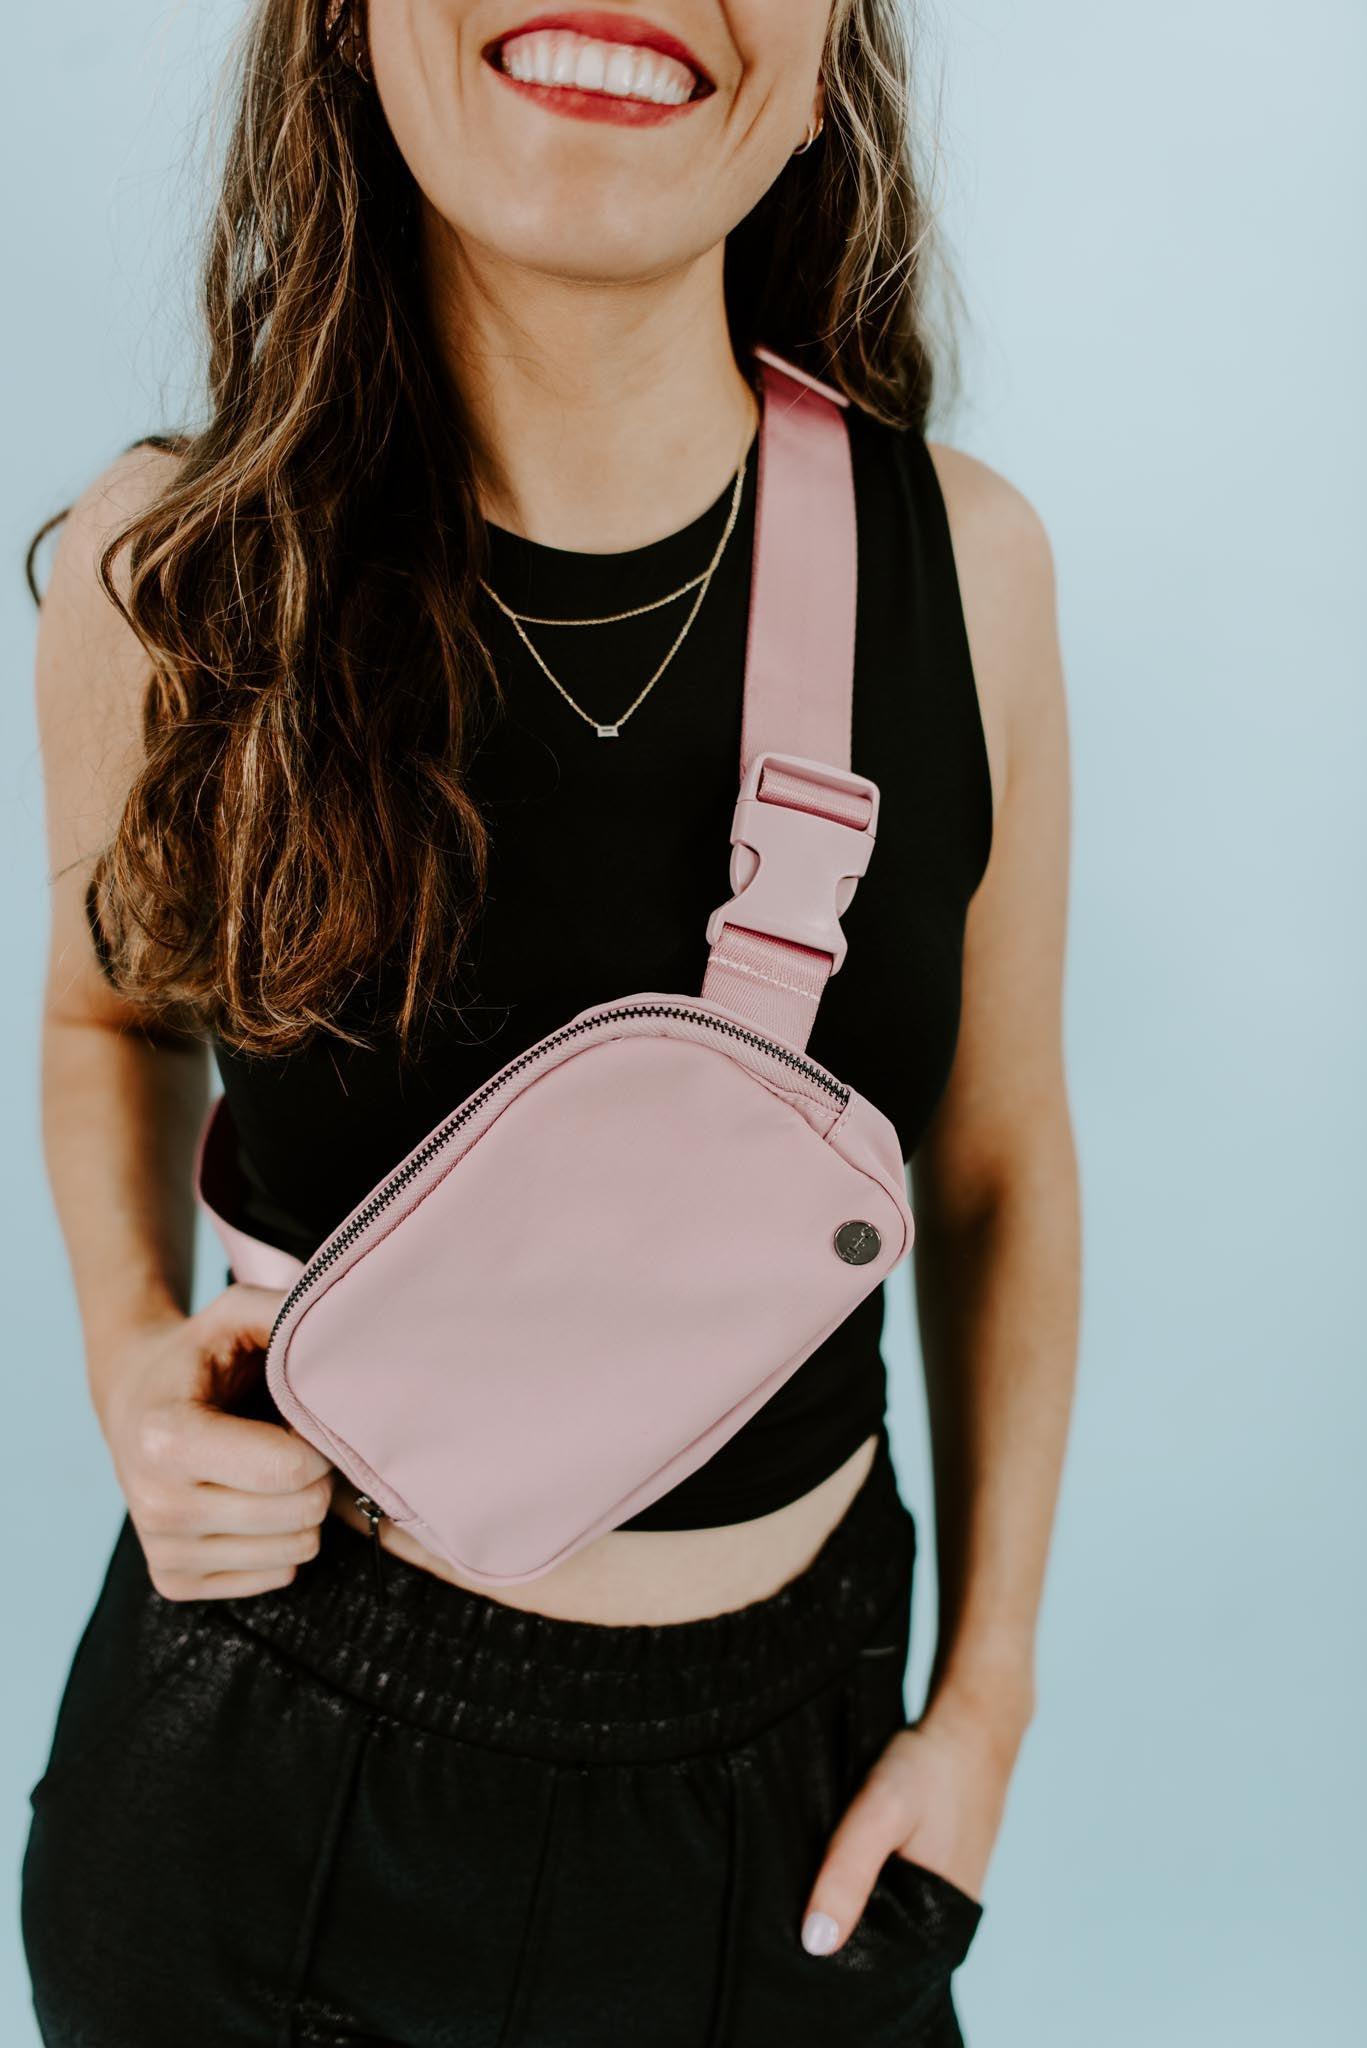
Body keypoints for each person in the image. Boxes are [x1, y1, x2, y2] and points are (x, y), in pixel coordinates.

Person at [19, 2, 1079, 2042]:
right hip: (267, 1792)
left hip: (800, 1796)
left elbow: (1003, 1160)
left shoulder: (969, 572)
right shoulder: (173, 570)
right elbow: (108, 1017)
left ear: (829, 54)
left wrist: (989, 1698)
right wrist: (127, 1351)